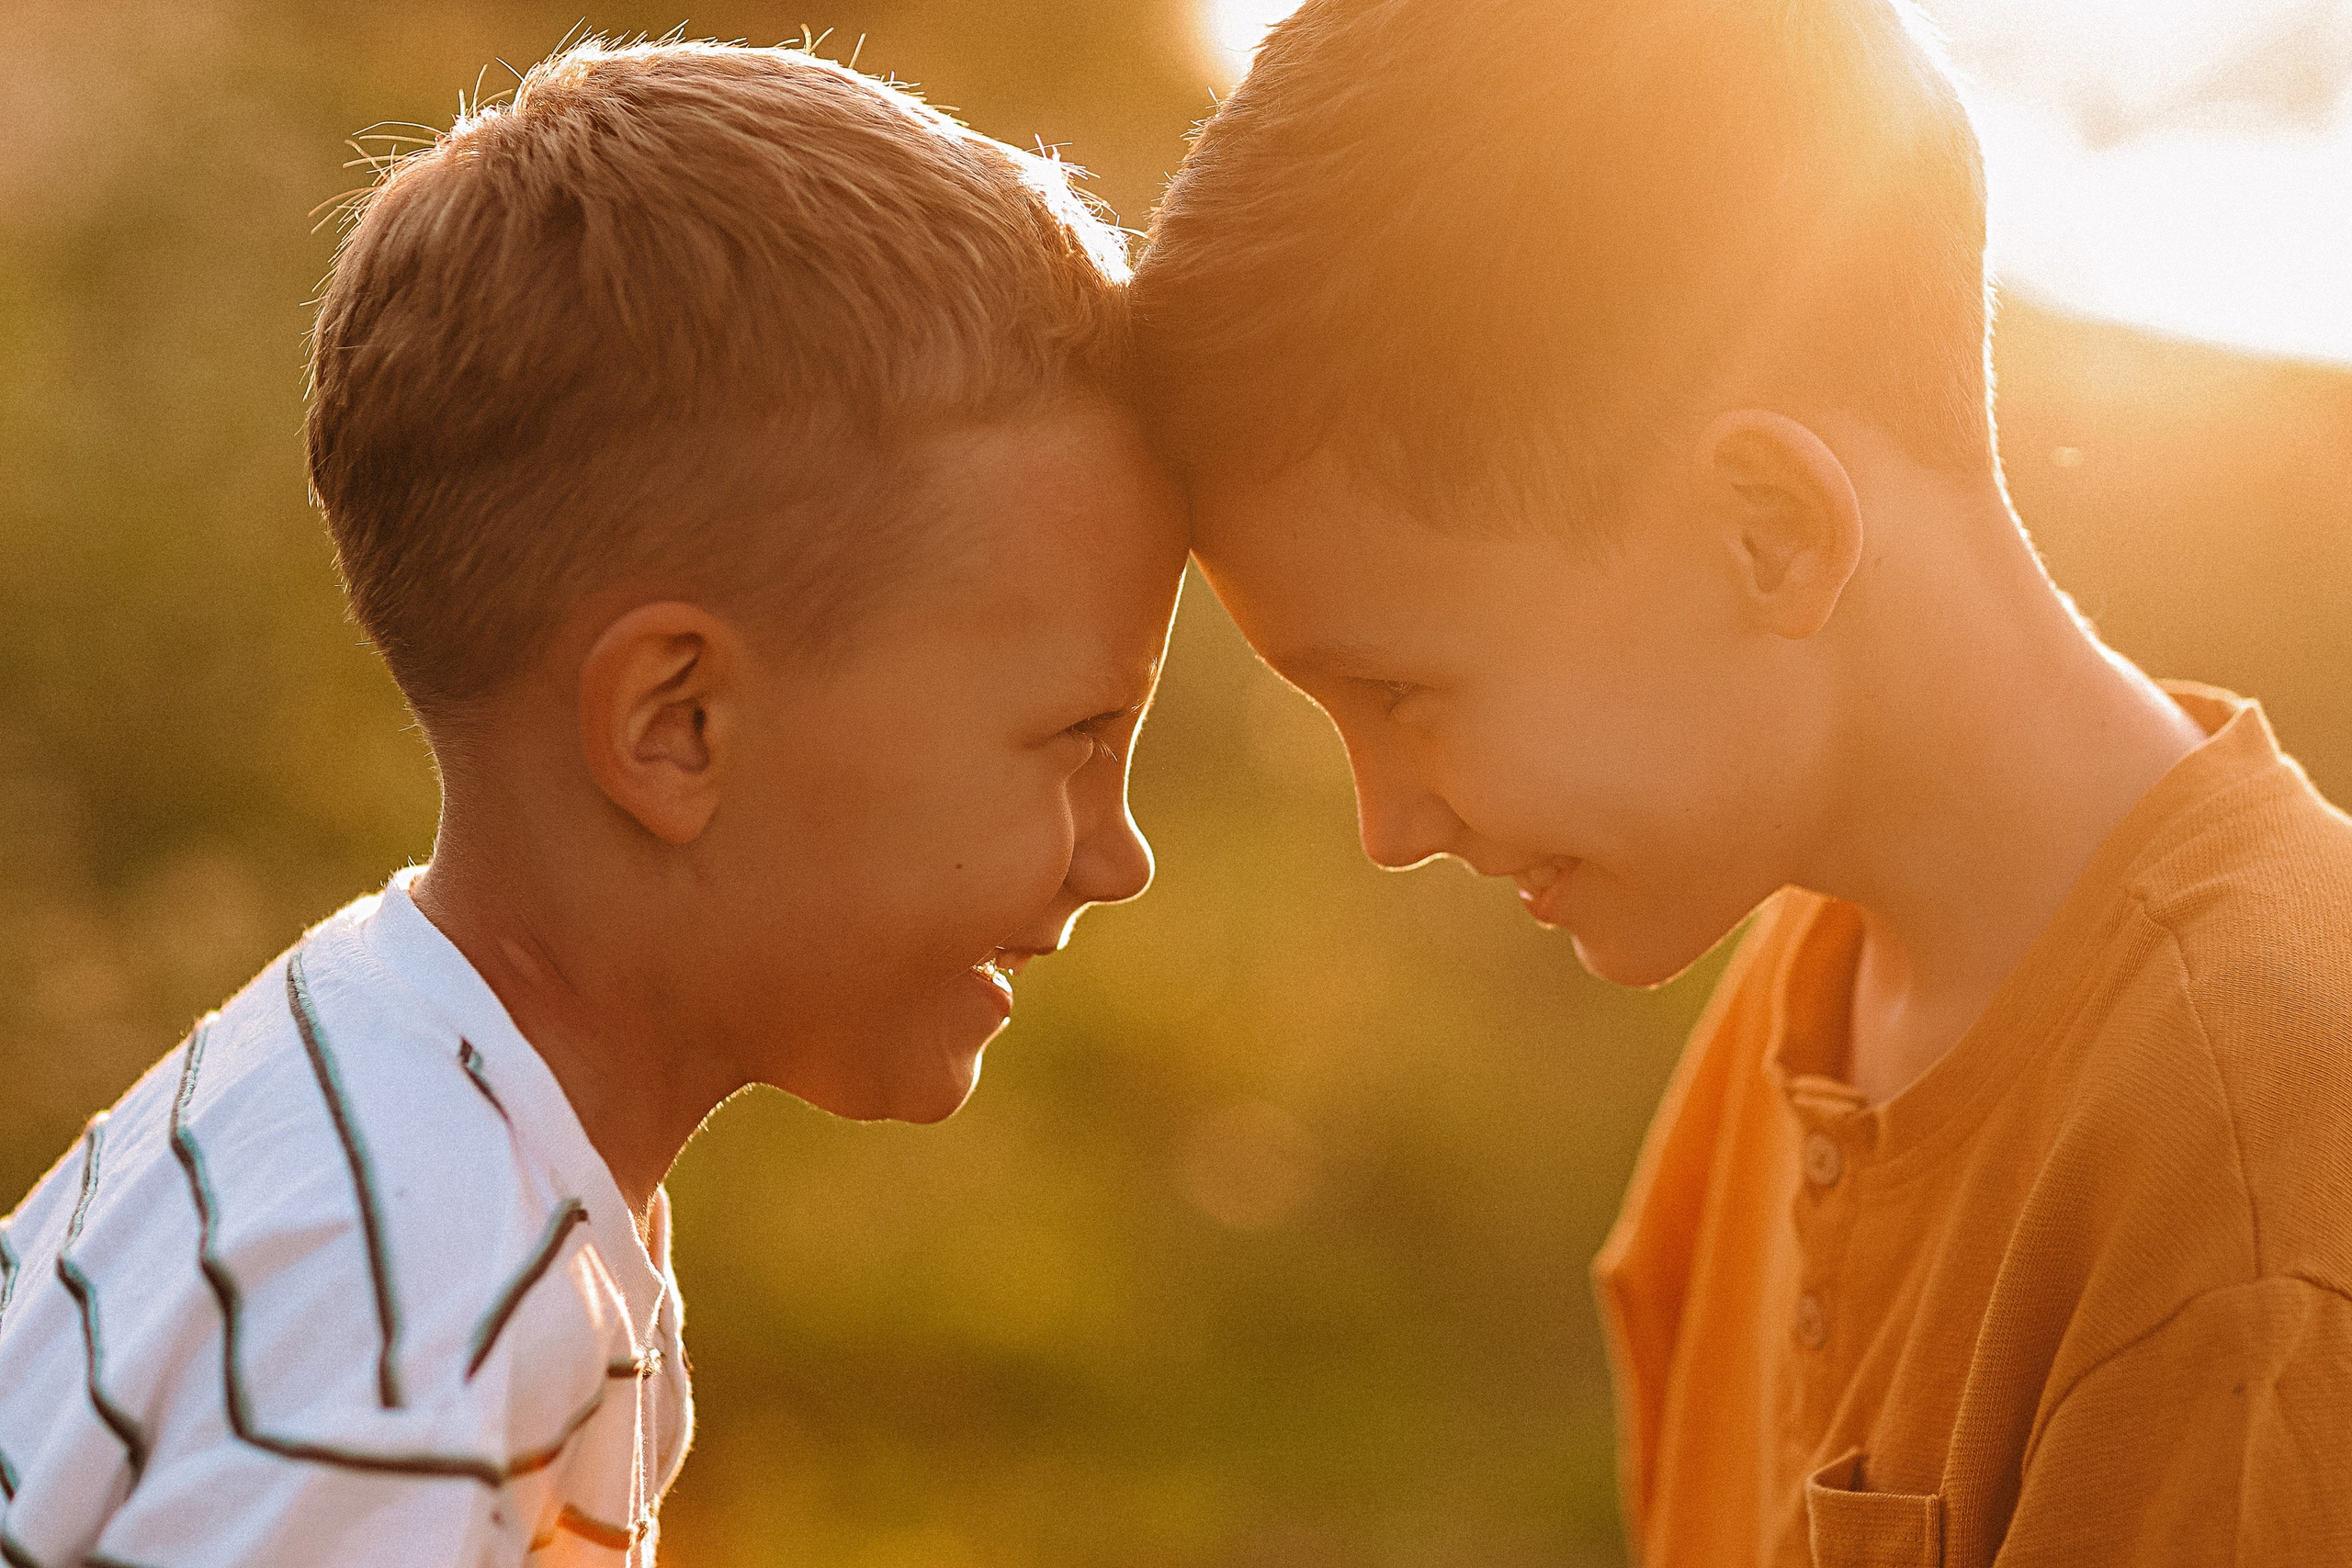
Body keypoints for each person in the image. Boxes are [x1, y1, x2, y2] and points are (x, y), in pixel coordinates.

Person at [1131, 1, 2352, 1562]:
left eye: (1402, 692)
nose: (1389, 823)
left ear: (1769, 531)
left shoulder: (2251, 1176)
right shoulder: (1809, 977)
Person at [0, 37, 1185, 1566]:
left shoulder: (386, 1105)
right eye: (1077, 735)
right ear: (675, 727)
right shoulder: (415, 1312)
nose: (1124, 855)